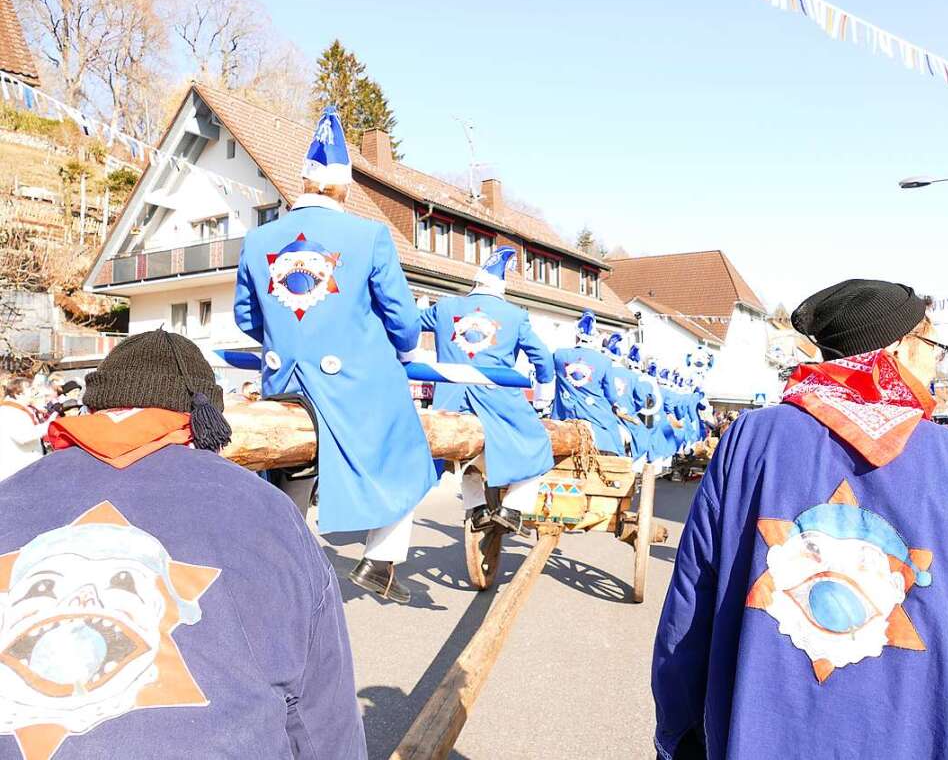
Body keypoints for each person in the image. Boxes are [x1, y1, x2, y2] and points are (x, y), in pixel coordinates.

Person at [652, 279, 948, 760]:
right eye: (931, 345)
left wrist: (677, 737)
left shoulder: (748, 444)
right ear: (895, 349)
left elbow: (689, 614)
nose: (938, 360)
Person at [0, 331, 367, 758]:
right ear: (205, 416)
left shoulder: (8, 496)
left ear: (94, 404)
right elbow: (322, 714)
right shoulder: (266, 509)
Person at [235, 105, 436, 604]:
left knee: (289, 472)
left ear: (302, 181)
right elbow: (404, 322)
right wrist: (404, 350)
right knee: (407, 448)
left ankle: (274, 566)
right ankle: (380, 560)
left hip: (285, 382)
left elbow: (246, 318)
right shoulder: (368, 235)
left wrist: (286, 341)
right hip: (356, 387)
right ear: (343, 187)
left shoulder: (259, 238)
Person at [419, 246, 555, 535]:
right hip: (497, 404)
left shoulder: (444, 307)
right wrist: (543, 394)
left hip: (449, 403)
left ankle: (477, 506)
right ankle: (512, 508)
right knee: (540, 444)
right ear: (501, 287)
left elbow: (406, 327)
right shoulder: (515, 316)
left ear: (476, 283)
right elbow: (542, 358)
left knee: (465, 461)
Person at [552, 311, 625, 456]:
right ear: (594, 338)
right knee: (614, 434)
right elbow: (610, 396)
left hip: (563, 414)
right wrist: (615, 404)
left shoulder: (559, 355)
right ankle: (618, 462)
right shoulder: (604, 361)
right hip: (595, 415)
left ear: (576, 336)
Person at [604, 335, 649, 473]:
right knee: (643, 435)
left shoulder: (602, 368)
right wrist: (632, 410)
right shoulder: (632, 376)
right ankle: (635, 469)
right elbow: (641, 400)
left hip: (602, 414)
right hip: (624, 416)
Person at [0, 376, 56, 482]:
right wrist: (49, 424)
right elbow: (23, 437)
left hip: (24, 469)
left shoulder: (17, 409)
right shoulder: (9, 412)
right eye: (30, 390)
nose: (34, 393)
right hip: (17, 470)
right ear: (18, 394)